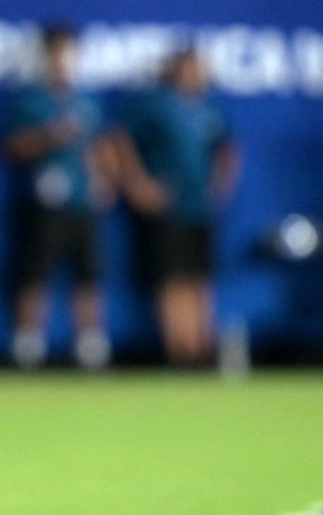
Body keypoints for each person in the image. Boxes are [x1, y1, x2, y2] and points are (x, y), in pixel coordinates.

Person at [115, 48, 239, 365]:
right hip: (169, 208)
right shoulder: (155, 105)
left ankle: (203, 350)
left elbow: (228, 146)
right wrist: (138, 184)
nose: (193, 75)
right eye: (187, 69)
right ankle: (179, 353)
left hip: (200, 208)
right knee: (172, 278)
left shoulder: (210, 107)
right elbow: (118, 139)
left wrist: (221, 184)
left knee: (200, 278)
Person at [2, 26, 113, 370]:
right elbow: (13, 147)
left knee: (88, 273)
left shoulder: (86, 99)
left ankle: (90, 345)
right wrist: (51, 135)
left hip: (82, 200)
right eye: (57, 54)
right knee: (35, 271)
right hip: (44, 202)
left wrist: (102, 180)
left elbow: (97, 145)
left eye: (69, 54)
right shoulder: (31, 100)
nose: (63, 62)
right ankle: (28, 344)